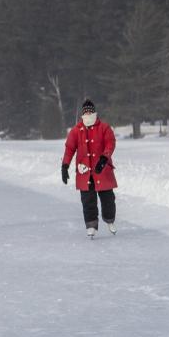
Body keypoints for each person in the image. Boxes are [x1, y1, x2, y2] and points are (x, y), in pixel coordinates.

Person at [62, 99, 118, 238]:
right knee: (88, 201)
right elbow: (69, 148)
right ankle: (91, 225)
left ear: (94, 112)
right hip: (84, 173)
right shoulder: (76, 130)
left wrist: (104, 158)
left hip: (102, 170)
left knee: (108, 199)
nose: (88, 113)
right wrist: (65, 165)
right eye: (85, 111)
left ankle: (109, 220)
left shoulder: (104, 127)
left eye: (90, 111)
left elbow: (110, 143)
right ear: (82, 113)